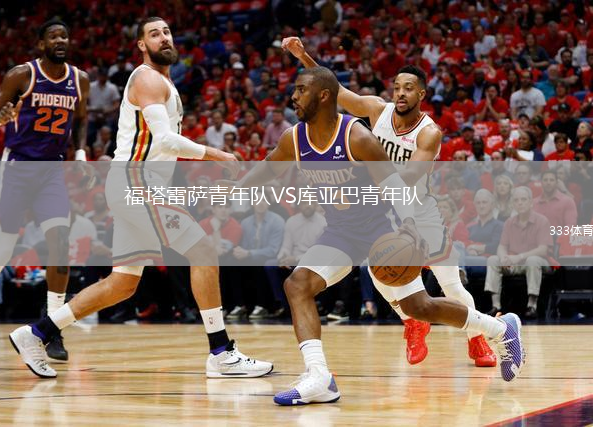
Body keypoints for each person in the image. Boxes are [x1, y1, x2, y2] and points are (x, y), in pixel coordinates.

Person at [234, 63, 524, 405]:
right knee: (297, 285)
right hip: (340, 234)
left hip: (379, 231)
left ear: (323, 96)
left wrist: (410, 226)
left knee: (420, 306)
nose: (293, 96)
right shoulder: (294, 138)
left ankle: (501, 329)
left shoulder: (357, 137)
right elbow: (269, 167)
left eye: (301, 90)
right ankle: (319, 377)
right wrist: (234, 188)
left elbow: (396, 185)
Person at [8, 17, 272, 380]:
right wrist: (216, 154)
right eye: (154, 34)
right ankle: (221, 352)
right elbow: (164, 140)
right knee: (203, 251)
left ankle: (36, 333)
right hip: (137, 182)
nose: (163, 37)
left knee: (123, 283)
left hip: (135, 184)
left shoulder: (163, 81)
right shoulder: (147, 79)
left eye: (167, 31)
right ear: (142, 45)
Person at [283, 37, 504, 369]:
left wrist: (360, 176)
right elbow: (335, 91)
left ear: (421, 95)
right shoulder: (377, 110)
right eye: (397, 87)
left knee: (450, 285)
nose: (401, 93)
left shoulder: (429, 133)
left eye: (409, 88)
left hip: (421, 213)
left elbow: (410, 176)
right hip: (384, 212)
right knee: (382, 272)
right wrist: (304, 57)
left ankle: (477, 338)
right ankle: (412, 322)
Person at [0, 19, 91, 363]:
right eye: (53, 37)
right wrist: (1, 118)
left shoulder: (80, 80)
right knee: (3, 248)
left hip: (52, 170)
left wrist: (80, 153)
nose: (61, 40)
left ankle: (52, 327)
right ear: (41, 44)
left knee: (60, 242)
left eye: (64, 35)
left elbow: (81, 119)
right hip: (18, 167)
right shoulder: (22, 75)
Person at [485, 187, 552, 319]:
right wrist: (503, 257)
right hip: (514, 263)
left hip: (538, 262)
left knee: (532, 260)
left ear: (531, 202)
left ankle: (532, 306)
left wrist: (519, 257)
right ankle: (496, 306)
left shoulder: (542, 221)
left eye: (523, 199)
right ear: (513, 204)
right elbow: (502, 246)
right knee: (493, 259)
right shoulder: (509, 222)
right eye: (516, 200)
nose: (520, 203)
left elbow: (543, 249)